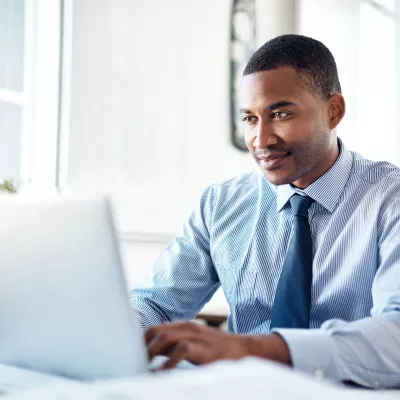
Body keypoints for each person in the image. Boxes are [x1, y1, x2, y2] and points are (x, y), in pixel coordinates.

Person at [131, 34, 400, 388]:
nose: (261, 140)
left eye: (281, 114)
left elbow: (395, 336)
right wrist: (115, 333)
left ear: (333, 111)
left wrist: (250, 348)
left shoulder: (390, 199)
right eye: (250, 118)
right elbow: (156, 305)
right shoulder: (220, 204)